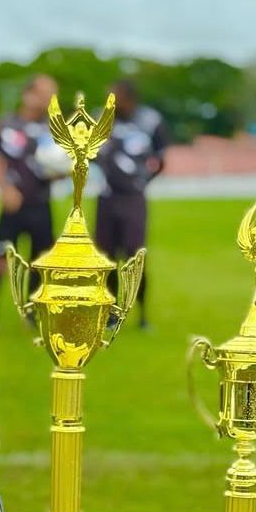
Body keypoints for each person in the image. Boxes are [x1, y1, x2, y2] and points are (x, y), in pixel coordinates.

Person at [0, 74, 60, 331]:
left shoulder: (52, 128)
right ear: (29, 95)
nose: (51, 98)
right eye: (46, 92)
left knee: (40, 261)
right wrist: (5, 189)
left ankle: (32, 312)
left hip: (40, 205)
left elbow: (61, 166)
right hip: (13, 207)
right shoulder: (9, 125)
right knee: (2, 260)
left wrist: (61, 169)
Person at [95, 78, 168, 329]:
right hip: (106, 199)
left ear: (128, 98)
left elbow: (160, 157)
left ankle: (142, 314)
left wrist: (141, 181)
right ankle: (112, 312)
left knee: (135, 256)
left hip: (133, 200)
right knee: (107, 258)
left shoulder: (150, 121)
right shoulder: (101, 119)